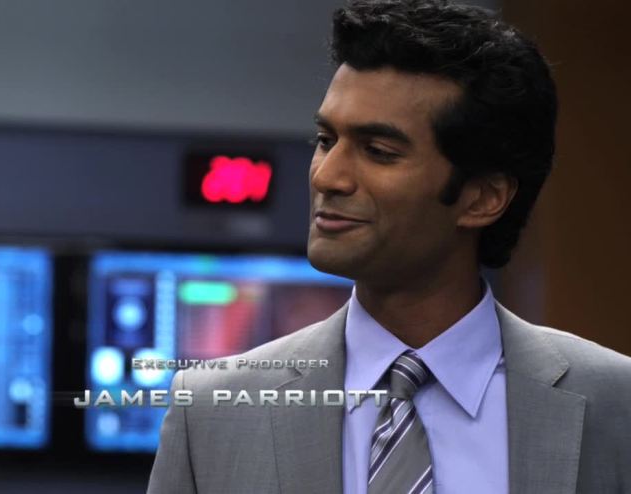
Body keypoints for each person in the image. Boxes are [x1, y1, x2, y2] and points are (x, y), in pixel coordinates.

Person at [147, 1, 631, 492]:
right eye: (325, 139)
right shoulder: (210, 411)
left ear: (482, 198)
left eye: (378, 152)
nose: (327, 176)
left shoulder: (615, 404)